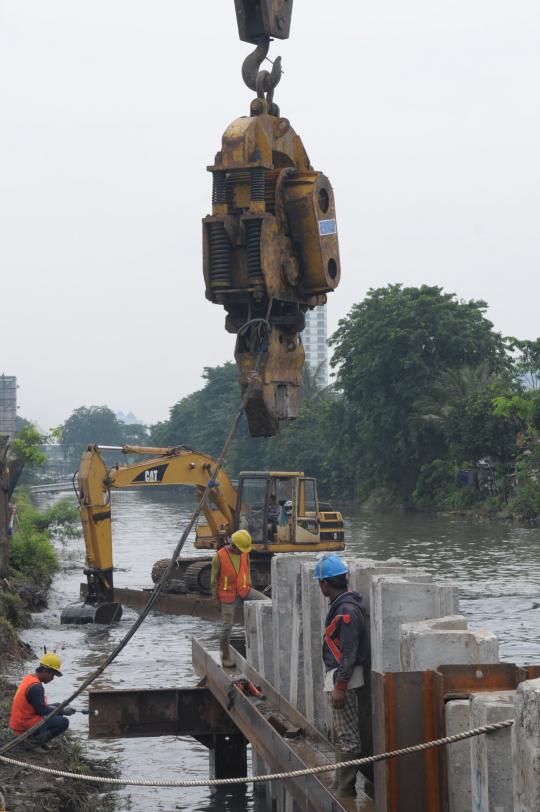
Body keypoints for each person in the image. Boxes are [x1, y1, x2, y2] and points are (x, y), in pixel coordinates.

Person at [314, 554, 370, 798]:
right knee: (342, 733)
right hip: (341, 676)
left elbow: (349, 653)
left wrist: (340, 686)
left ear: (325, 584)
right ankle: (340, 784)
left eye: (320, 582)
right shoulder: (346, 604)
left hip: (343, 679)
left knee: (347, 736)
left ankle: (345, 791)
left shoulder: (346, 610)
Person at [211, 529, 266, 667]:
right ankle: (225, 657)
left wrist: (249, 585)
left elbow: (246, 569)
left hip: (244, 590)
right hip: (227, 595)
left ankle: (263, 640)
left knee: (268, 604)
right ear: (234, 545)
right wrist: (216, 600)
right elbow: (214, 581)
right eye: (241, 549)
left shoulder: (244, 553)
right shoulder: (219, 557)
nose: (243, 552)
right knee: (227, 626)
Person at [9, 652, 75, 749]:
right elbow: (41, 711)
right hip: (23, 726)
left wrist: (60, 708)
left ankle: (38, 739)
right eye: (52, 675)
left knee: (58, 705)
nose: (52, 678)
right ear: (45, 670)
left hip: (21, 720)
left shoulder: (30, 679)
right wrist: (62, 711)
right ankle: (34, 743)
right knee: (64, 722)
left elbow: (40, 707)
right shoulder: (36, 687)